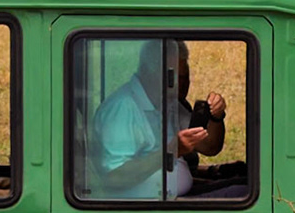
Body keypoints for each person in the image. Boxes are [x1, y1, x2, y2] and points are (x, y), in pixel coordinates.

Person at [85, 39, 226, 200]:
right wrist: (171, 151)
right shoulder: (123, 108)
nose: (183, 85)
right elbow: (115, 178)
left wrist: (216, 116)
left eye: (186, 77)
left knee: (241, 184)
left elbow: (210, 147)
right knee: (242, 195)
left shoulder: (169, 103)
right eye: (175, 77)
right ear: (151, 73)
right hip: (145, 210)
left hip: (171, 197)